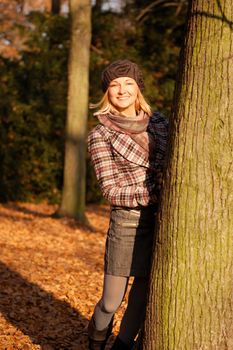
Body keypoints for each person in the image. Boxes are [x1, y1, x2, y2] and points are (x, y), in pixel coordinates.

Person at [87, 59, 168, 350]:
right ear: (106, 93)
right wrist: (152, 193)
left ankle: (121, 346)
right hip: (127, 221)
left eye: (128, 83)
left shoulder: (160, 123)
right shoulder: (100, 135)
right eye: (114, 85)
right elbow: (110, 191)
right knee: (111, 300)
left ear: (138, 88)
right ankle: (94, 344)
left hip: (163, 220)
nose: (121, 90)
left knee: (142, 292)